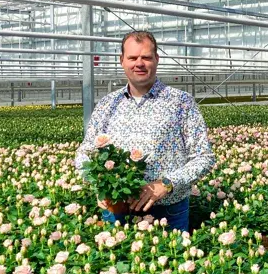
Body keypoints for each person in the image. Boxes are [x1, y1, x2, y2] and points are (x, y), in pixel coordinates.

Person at [75, 30, 215, 231]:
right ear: (122, 60)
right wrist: (100, 185)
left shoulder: (181, 102)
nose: (139, 63)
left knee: (169, 261)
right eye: (132, 57)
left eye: (146, 57)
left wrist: (166, 184)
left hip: (167, 212)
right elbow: (85, 154)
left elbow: (204, 157)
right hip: (116, 210)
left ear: (156, 59)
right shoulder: (107, 105)